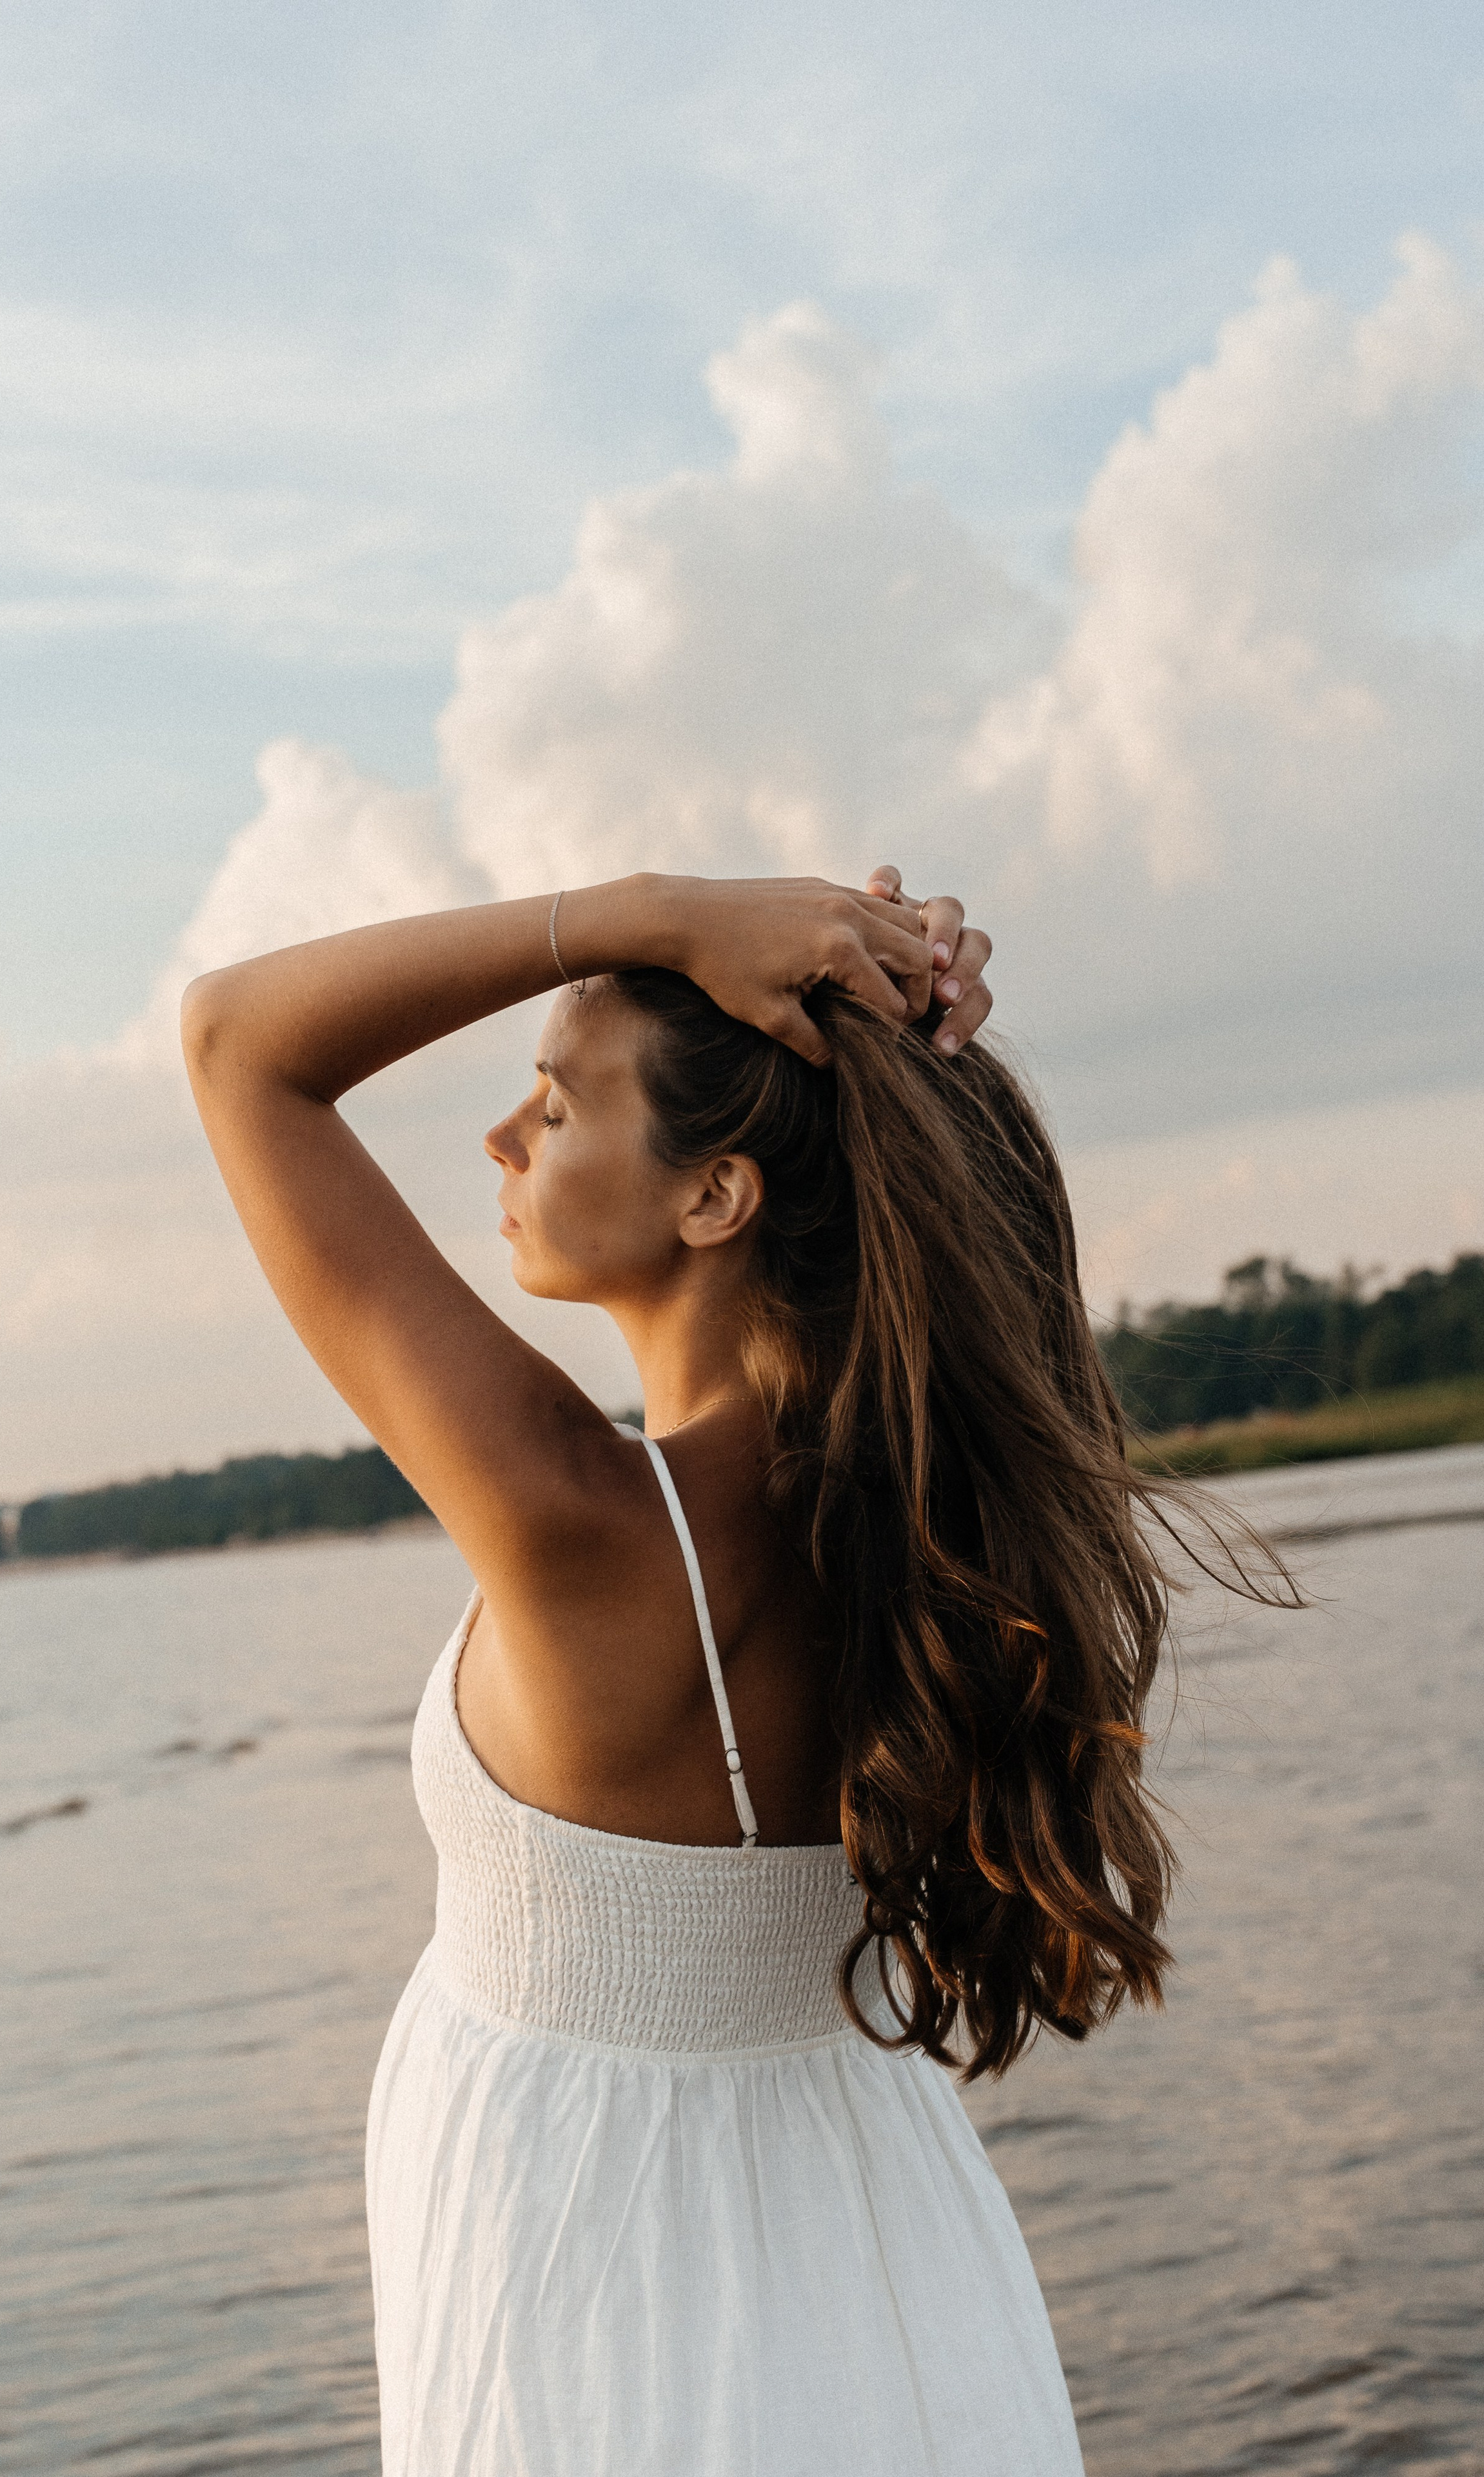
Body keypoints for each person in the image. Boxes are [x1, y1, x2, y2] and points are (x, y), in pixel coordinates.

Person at [181, 867, 1174, 2475]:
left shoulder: (587, 1535)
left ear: (716, 1196)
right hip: (870, 2239)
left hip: (605, 2293)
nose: (503, 1143)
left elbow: (238, 1043)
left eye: (557, 1107)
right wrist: (845, 1000)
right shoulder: (918, 1521)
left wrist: (643, 913)